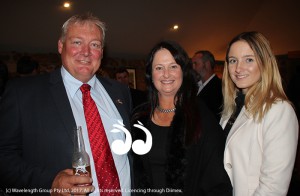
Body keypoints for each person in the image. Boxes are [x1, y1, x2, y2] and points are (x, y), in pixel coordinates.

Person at [0, 13, 132, 195]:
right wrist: (50, 182)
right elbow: (4, 156)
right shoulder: (23, 94)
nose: (86, 52)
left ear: (101, 52)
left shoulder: (120, 92)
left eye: (94, 44)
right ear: (61, 46)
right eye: (77, 42)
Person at [130, 41, 232, 195]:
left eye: (173, 66)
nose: (166, 74)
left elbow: (217, 182)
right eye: (159, 68)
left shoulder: (201, 118)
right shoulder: (139, 118)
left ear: (183, 72)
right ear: (151, 75)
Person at [220, 31, 299, 195]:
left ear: (265, 63)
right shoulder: (233, 107)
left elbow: (273, 188)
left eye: (249, 59)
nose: (238, 68)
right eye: (233, 61)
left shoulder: (279, 110)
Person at [191, 50, 223, 121]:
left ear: (207, 64)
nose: (193, 68)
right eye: (192, 64)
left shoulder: (220, 88)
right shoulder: (194, 86)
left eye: (195, 64)